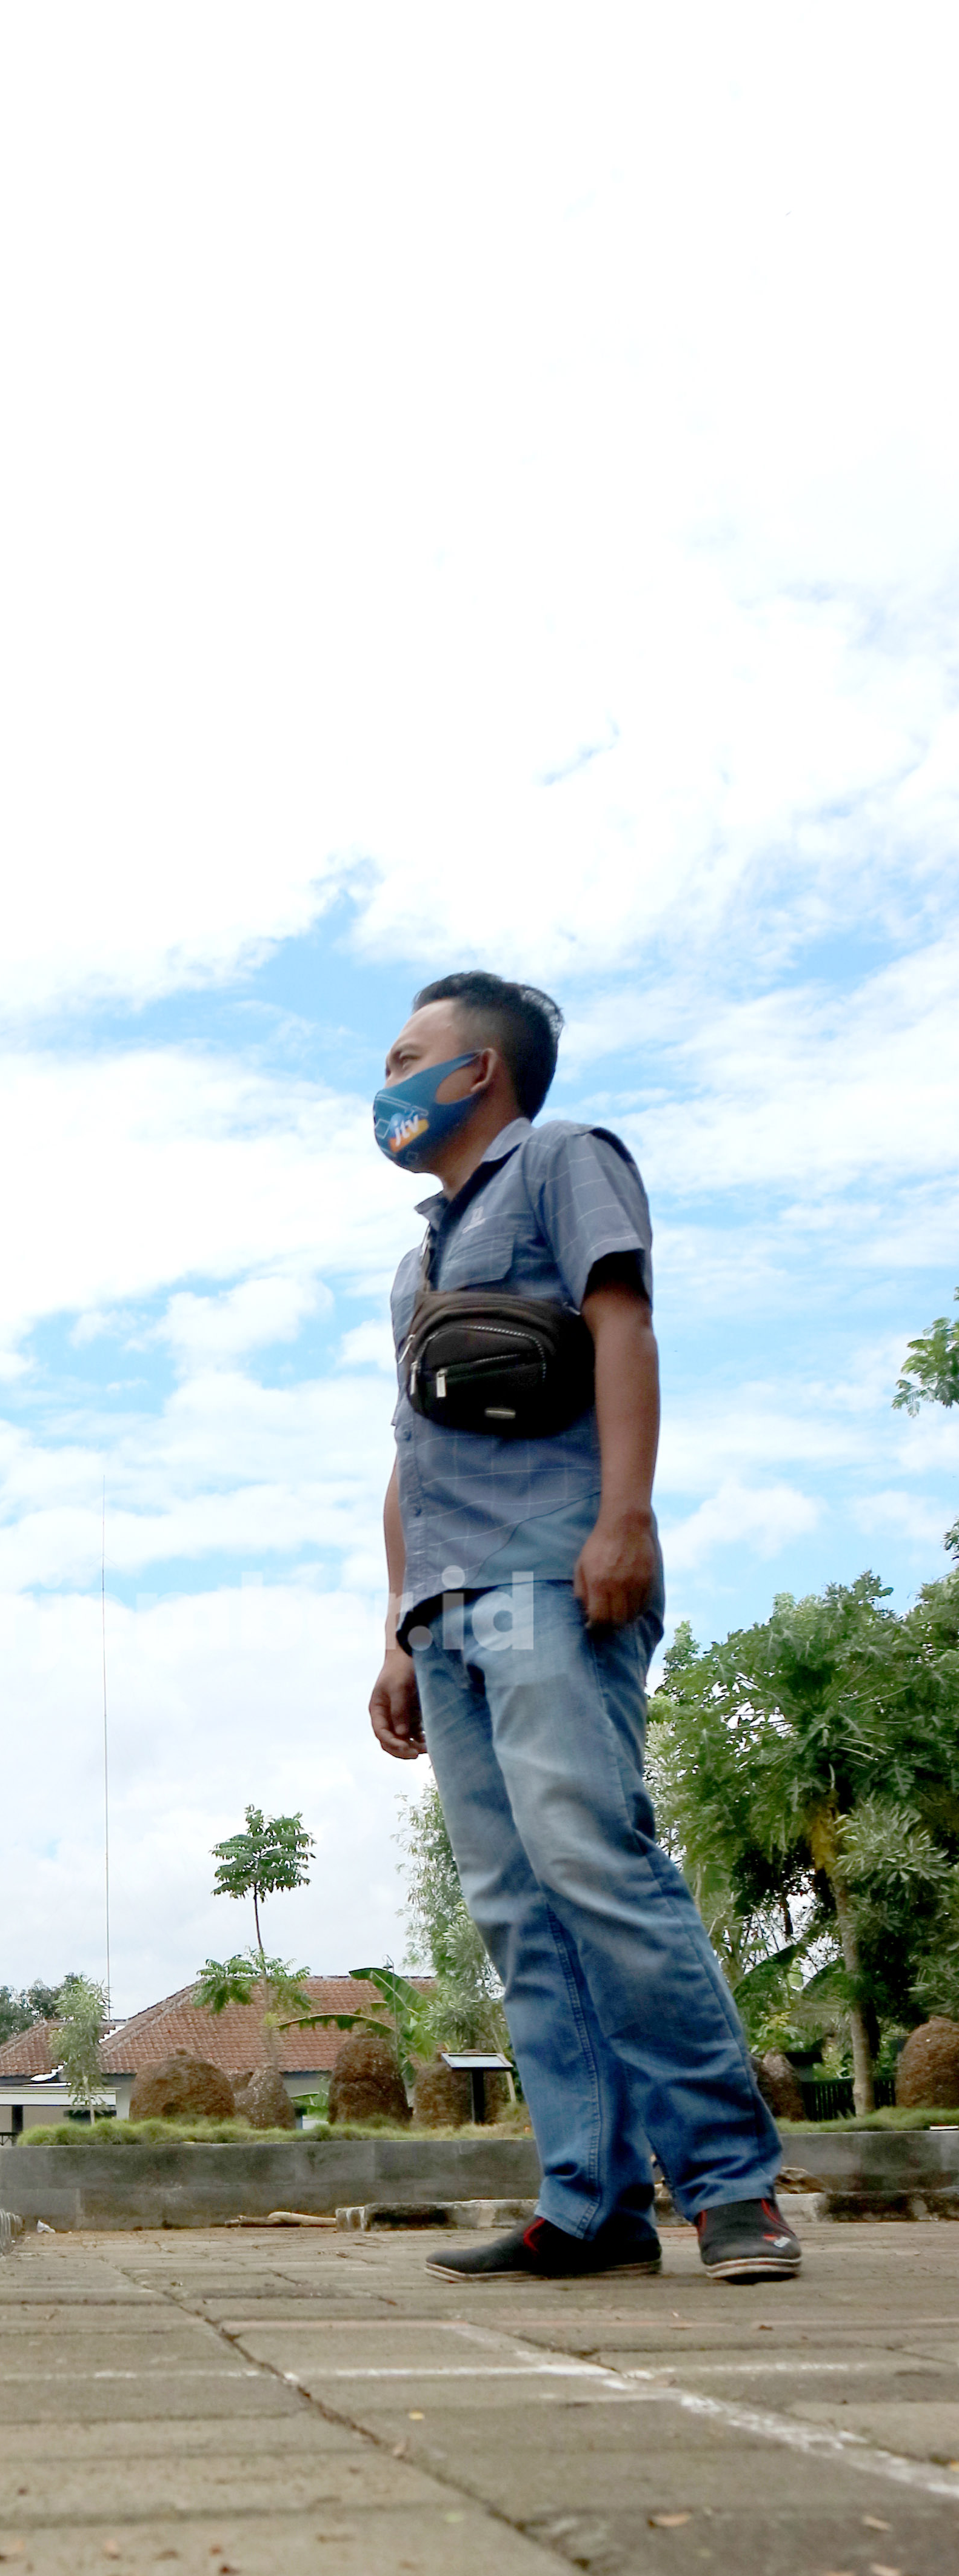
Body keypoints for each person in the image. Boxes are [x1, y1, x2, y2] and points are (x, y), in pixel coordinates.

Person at [366, 971, 799, 2284]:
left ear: (479, 1071)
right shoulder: (415, 1262)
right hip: (445, 1607)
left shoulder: (565, 1161)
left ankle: (732, 2187)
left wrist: (626, 1517)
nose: (385, 1085)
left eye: (406, 1057)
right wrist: (395, 1627)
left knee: (593, 1865)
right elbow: (407, 1454)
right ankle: (591, 2204)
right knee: (515, 1909)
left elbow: (623, 1328)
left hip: (556, 1571)